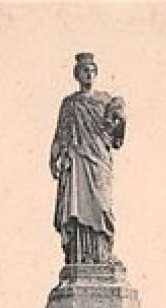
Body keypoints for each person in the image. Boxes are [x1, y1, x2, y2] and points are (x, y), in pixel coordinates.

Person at [50, 52, 127, 265]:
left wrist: (119, 119)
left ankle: (103, 253)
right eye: (85, 71)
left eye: (93, 71)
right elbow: (61, 132)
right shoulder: (70, 103)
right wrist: (54, 158)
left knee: (102, 206)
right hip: (77, 157)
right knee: (77, 206)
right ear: (77, 75)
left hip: (98, 158)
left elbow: (115, 134)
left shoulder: (105, 100)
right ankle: (79, 256)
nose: (89, 74)